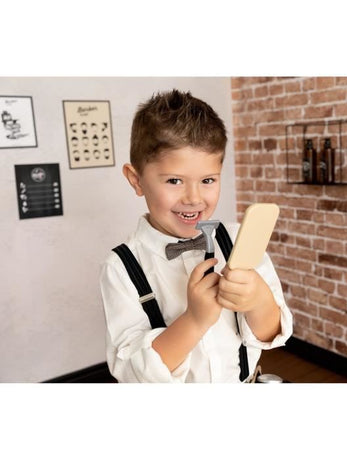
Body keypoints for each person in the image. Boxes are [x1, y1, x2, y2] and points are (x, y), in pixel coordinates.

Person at [99, 89, 292, 382]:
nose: (193, 198)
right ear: (136, 180)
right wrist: (194, 320)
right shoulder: (120, 268)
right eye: (174, 181)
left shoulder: (238, 240)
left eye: (207, 180)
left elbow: (271, 335)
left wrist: (258, 300)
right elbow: (134, 374)